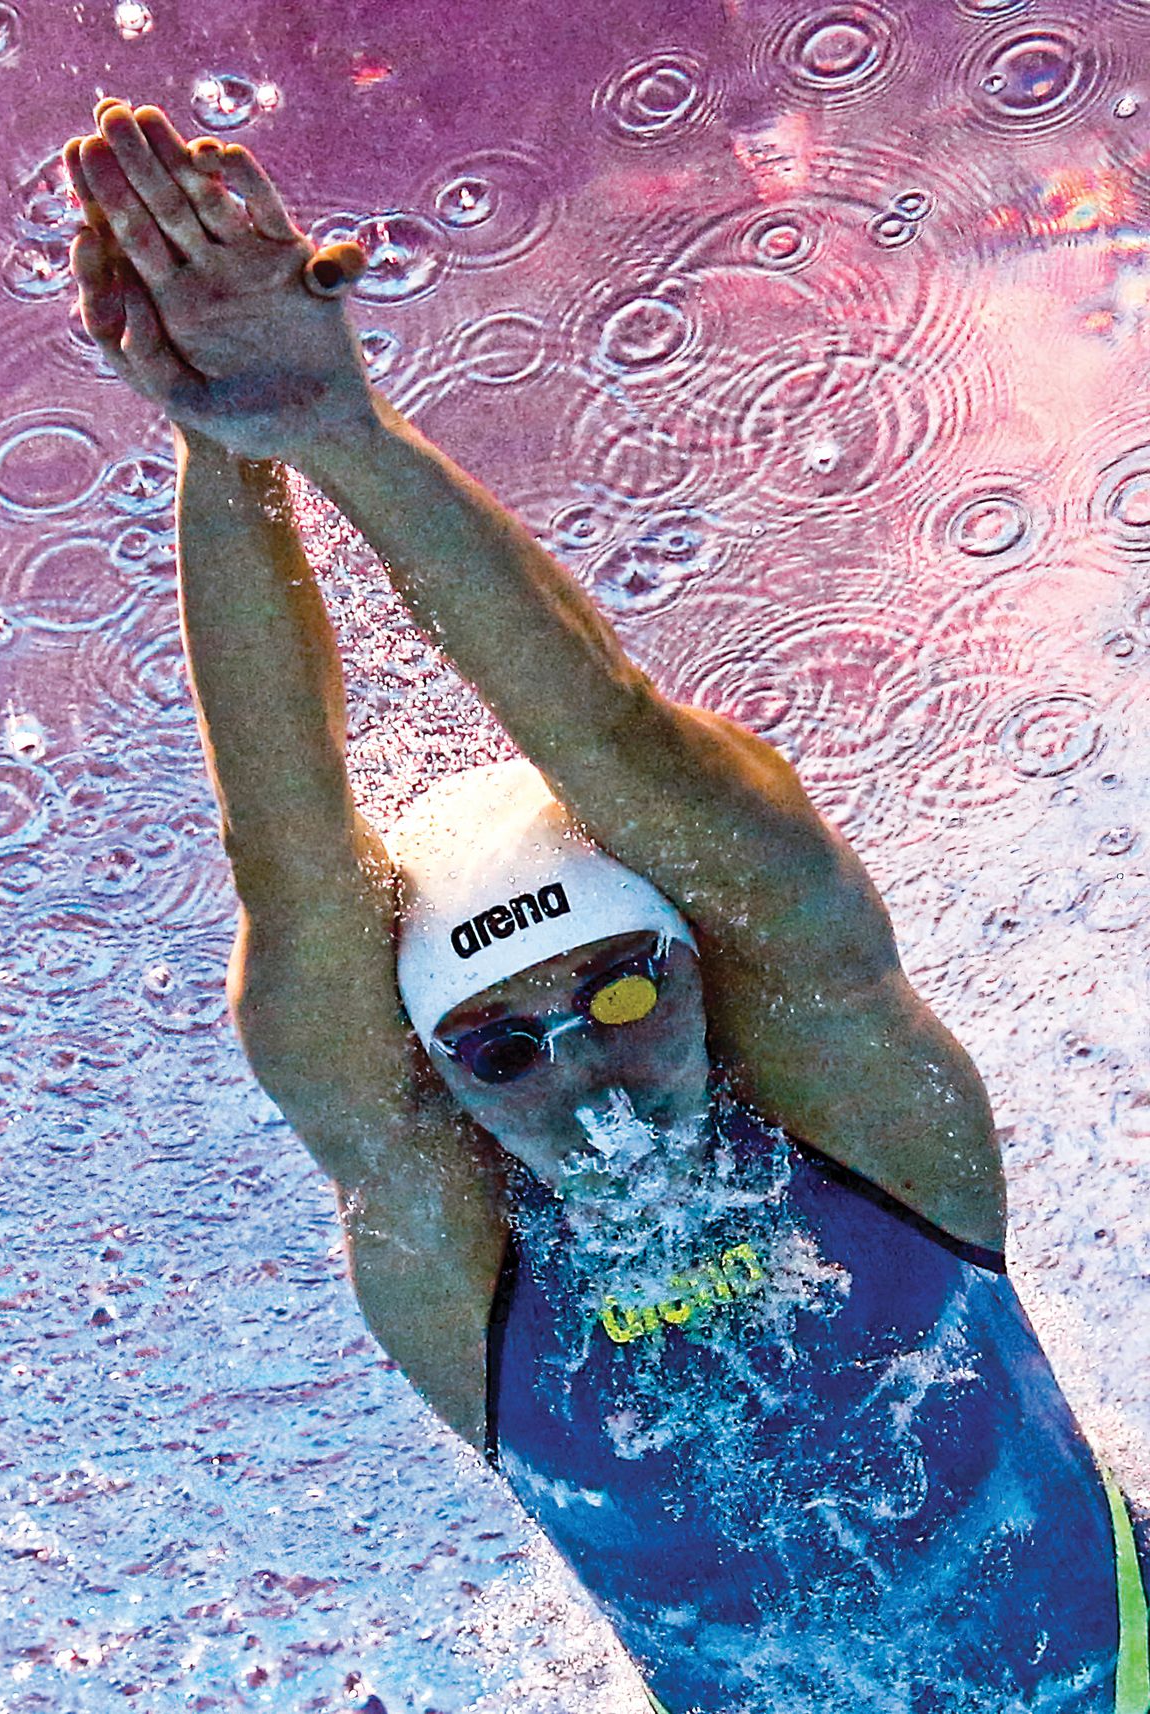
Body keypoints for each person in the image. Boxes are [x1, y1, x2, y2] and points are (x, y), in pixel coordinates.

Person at [61, 99, 1149, 1714]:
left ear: (703, 966)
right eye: (501, 1049)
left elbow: (628, 747)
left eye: (625, 994)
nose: (584, 1070)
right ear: (440, 1082)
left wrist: (333, 431)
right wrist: (227, 449)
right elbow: (289, 879)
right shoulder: (456, 1271)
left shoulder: (876, 1128)